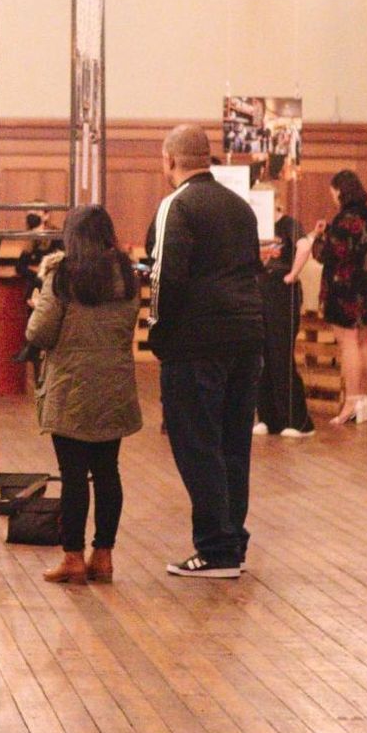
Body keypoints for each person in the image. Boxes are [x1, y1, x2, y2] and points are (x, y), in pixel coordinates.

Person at [147, 124, 264, 579]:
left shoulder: (177, 204)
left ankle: (215, 549)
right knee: (234, 444)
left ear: (169, 160)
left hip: (197, 343)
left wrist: (158, 333)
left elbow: (166, 277)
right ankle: (232, 541)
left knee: (196, 443)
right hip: (247, 336)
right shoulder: (241, 207)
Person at [26, 204, 143, 584]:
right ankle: (104, 555)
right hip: (114, 384)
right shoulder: (127, 274)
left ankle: (73, 557)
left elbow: (39, 333)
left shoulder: (62, 274)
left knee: (73, 475)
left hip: (70, 386)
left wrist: (36, 305)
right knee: (108, 472)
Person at [312, 169, 367, 425]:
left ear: (340, 191)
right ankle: (363, 399)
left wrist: (319, 237)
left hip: (344, 291)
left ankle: (350, 402)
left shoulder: (345, 220)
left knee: (349, 344)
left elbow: (327, 255)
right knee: (364, 342)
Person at [254, 197, 314, 438]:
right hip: (260, 292)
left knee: (280, 355)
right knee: (261, 356)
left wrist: (292, 274)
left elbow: (305, 245)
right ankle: (268, 417)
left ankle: (298, 421)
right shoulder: (258, 227)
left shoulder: (289, 224)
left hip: (281, 294)